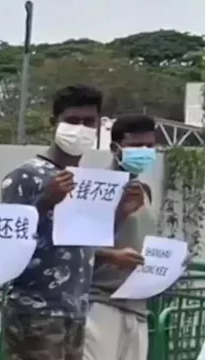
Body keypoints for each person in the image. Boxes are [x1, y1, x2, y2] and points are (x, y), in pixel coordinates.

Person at [0, 85, 145, 360]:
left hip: (76, 310)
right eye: (72, 120)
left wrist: (121, 213)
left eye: (89, 122)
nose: (81, 128)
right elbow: (7, 241)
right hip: (35, 312)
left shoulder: (85, 180)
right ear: (53, 123)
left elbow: (86, 242)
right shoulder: (26, 176)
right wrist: (46, 201)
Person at [84, 114, 157, 360]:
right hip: (101, 303)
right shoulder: (96, 188)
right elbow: (77, 245)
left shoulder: (144, 191)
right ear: (116, 148)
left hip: (137, 307)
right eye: (137, 146)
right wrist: (119, 216)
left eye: (150, 146)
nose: (145, 152)